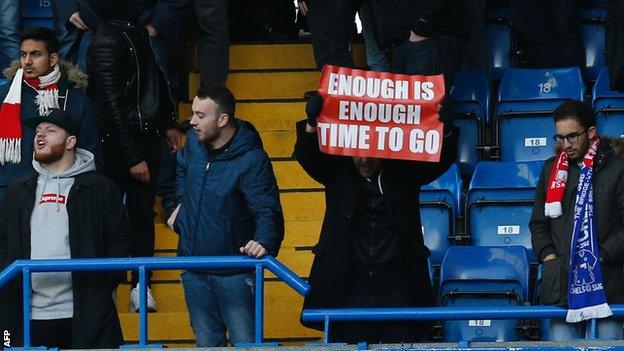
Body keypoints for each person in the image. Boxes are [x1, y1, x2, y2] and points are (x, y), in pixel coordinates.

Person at [295, 92, 459, 343]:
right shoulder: (337, 171)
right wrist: (311, 122)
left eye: (371, 151)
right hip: (348, 287)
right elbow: (308, 158)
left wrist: (445, 128)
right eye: (357, 152)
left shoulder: (405, 170)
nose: (364, 159)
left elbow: (440, 160)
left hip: (399, 288)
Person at [0, 108, 132, 349]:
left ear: (71, 141)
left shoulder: (101, 188)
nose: (40, 136)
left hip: (87, 313)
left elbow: (119, 240)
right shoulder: (16, 190)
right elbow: (2, 242)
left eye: (50, 131)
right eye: (38, 131)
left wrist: (103, 285)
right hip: (26, 315)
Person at [168, 85, 284, 347]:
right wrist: (177, 205)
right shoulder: (195, 146)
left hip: (234, 269)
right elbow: (181, 169)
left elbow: (267, 209)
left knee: (246, 343)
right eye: (192, 114)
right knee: (207, 342)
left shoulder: (252, 159)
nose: (192, 122)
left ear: (223, 120)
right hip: (193, 265)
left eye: (200, 115)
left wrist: (264, 240)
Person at [86, 0, 182, 312]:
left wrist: (167, 123)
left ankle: (141, 285)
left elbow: (155, 83)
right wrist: (131, 157)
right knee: (113, 218)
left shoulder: (135, 33)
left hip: (145, 138)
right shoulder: (105, 41)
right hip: (119, 146)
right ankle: (111, 286)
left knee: (142, 216)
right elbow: (110, 106)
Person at [530, 100, 624, 341]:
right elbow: (538, 224)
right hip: (561, 285)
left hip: (605, 283)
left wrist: (600, 255)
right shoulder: (551, 169)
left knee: (607, 342)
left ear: (591, 132)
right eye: (559, 138)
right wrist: (550, 258)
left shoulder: (618, 166)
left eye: (572, 136)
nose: (565, 145)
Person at [0, 27, 100, 200]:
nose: (27, 61)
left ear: (53, 58)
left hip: (58, 193)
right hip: (8, 190)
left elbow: (89, 152)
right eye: (23, 54)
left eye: (36, 54)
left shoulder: (74, 98)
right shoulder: (5, 95)